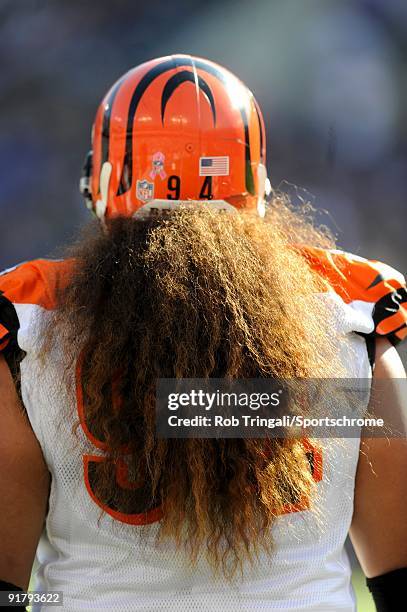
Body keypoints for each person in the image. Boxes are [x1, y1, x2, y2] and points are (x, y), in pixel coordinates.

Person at [0, 54, 406, 612]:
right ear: (253, 184)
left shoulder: (30, 332)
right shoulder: (354, 319)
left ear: (103, 183)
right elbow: (401, 573)